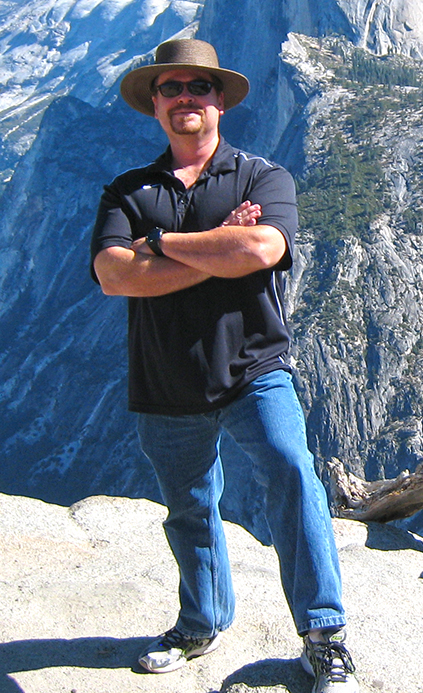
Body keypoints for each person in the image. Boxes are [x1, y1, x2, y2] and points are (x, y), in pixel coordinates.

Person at [90, 37, 358, 692]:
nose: (186, 98)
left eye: (198, 87)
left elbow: (260, 248)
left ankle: (324, 639)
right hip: (165, 382)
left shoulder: (263, 177)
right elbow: (113, 276)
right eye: (172, 87)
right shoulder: (128, 190)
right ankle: (200, 622)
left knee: (294, 476)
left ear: (219, 101)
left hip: (254, 369)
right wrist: (215, 248)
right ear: (155, 103)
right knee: (188, 510)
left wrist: (162, 245)